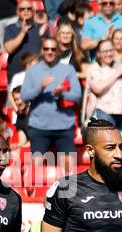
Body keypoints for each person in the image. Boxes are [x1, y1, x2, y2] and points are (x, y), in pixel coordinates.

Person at [21, 35, 83, 166]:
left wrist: (61, 94)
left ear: (58, 51)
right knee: (35, 167)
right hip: (39, 127)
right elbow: (24, 96)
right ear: (42, 51)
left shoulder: (68, 69)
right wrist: (40, 88)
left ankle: (68, 188)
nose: (50, 52)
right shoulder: (32, 71)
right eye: (46, 48)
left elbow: (77, 96)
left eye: (53, 49)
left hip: (64, 126)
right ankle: (33, 188)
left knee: (69, 168)